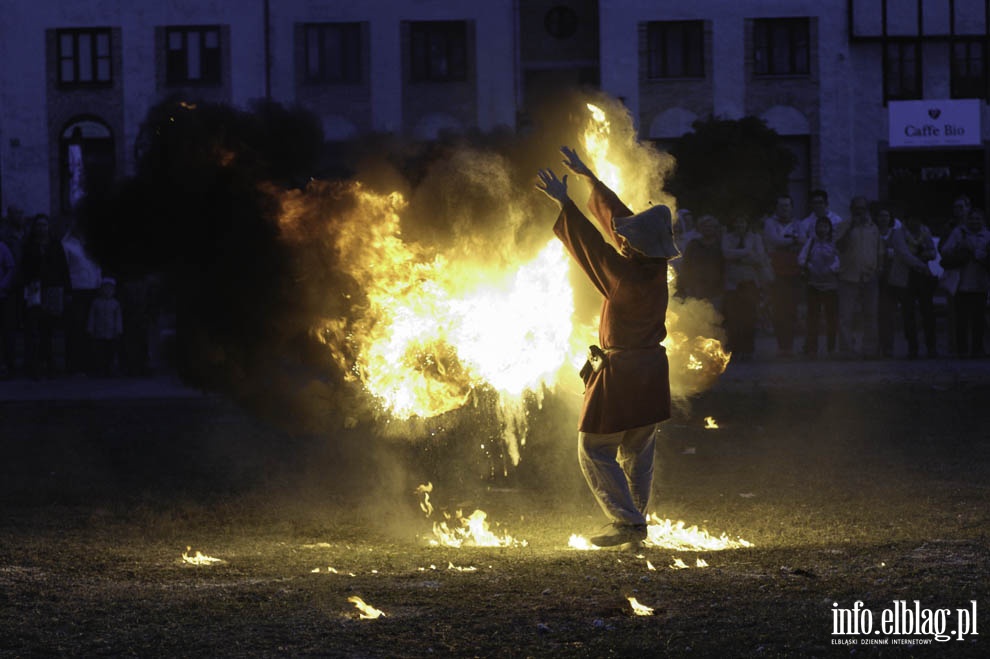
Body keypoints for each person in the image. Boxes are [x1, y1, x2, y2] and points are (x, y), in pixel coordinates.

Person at [535, 146, 676, 548]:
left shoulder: (624, 276)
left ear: (637, 247)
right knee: (638, 450)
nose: (623, 240)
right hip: (651, 370)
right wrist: (589, 179)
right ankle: (637, 520)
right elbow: (622, 223)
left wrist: (565, 202)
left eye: (629, 241)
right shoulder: (655, 266)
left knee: (594, 449)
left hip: (623, 372)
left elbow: (593, 248)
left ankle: (628, 523)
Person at [21, 214, 70, 378]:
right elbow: (24, 268)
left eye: (44, 225)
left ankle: (48, 363)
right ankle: (35, 365)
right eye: (39, 225)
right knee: (34, 326)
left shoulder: (55, 245)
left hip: (53, 288)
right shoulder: (29, 246)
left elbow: (63, 267)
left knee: (48, 327)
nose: (42, 228)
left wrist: (66, 289)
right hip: (34, 288)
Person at [834, 196, 883, 358]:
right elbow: (839, 246)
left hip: (869, 277)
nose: (859, 212)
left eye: (862, 209)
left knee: (871, 315)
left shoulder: (873, 228)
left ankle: (869, 350)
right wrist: (850, 228)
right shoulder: (843, 226)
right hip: (848, 277)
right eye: (856, 208)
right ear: (851, 209)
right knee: (846, 316)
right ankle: (846, 350)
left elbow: (879, 251)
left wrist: (878, 269)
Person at [939, 208, 990, 358]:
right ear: (968, 220)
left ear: (983, 221)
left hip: (980, 282)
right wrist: (960, 247)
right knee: (961, 319)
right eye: (972, 219)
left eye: (978, 219)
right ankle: (961, 350)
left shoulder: (987, 236)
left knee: (978, 319)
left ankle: (977, 349)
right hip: (960, 282)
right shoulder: (958, 233)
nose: (975, 221)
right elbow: (945, 250)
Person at [888, 213, 937, 359]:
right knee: (908, 314)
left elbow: (933, 252)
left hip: (922, 278)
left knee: (928, 313)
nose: (915, 222)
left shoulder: (925, 231)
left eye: (917, 219)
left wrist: (923, 258)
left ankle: (931, 347)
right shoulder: (898, 233)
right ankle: (912, 348)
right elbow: (904, 255)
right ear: (906, 220)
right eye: (912, 219)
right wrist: (922, 263)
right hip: (905, 278)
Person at [763, 195, 805, 358]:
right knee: (779, 311)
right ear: (777, 207)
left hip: (794, 272)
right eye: (782, 206)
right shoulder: (769, 223)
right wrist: (792, 241)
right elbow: (774, 241)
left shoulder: (798, 223)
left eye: (787, 206)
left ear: (791, 207)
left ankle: (790, 346)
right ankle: (782, 346)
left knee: (792, 310)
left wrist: (787, 241)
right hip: (776, 273)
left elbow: (802, 240)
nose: (785, 209)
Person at [721, 214, 768, 360]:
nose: (740, 225)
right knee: (734, 318)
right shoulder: (727, 238)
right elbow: (726, 254)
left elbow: (759, 258)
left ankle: (748, 350)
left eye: (742, 222)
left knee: (749, 318)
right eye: (737, 222)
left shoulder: (755, 238)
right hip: (732, 283)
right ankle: (735, 349)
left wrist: (738, 256)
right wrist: (747, 251)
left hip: (750, 282)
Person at [61, 218, 102, 375]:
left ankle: (89, 363)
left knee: (90, 329)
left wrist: (99, 284)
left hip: (93, 289)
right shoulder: (67, 245)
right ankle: (73, 364)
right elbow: (65, 270)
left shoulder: (91, 244)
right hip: (77, 289)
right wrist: (67, 291)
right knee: (76, 328)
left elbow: (97, 265)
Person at [798, 216, 840, 357]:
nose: (823, 229)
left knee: (831, 319)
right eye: (820, 226)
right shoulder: (811, 242)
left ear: (829, 228)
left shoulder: (835, 243)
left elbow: (839, 259)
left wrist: (831, 269)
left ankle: (831, 349)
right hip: (813, 285)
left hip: (831, 286)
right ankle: (812, 349)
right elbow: (801, 258)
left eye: (825, 226)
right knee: (812, 319)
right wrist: (810, 266)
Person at [676, 214, 723, 306]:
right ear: (700, 228)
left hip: (715, 288)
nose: (708, 228)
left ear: (715, 228)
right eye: (705, 226)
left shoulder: (720, 245)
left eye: (710, 226)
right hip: (695, 287)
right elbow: (685, 265)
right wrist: (682, 285)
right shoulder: (693, 245)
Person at [874, 206, 899, 358]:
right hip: (875, 277)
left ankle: (888, 346)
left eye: (886, 215)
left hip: (891, 279)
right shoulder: (872, 233)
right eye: (880, 215)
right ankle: (875, 346)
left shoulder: (896, 234)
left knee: (889, 314)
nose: (883, 219)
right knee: (875, 313)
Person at [87, 276, 123, 376]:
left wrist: (119, 330)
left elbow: (118, 318)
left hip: (111, 333)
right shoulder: (96, 302)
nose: (107, 291)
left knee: (110, 352)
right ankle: (100, 369)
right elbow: (92, 317)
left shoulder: (115, 303)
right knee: (100, 352)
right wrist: (90, 329)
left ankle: (110, 369)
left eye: (110, 289)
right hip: (99, 332)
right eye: (105, 288)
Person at [0, 237, 15, 378]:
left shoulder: (2, 247)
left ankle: (7, 365)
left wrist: (2, 286)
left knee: (5, 333)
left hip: (1, 297)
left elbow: (11, 267)